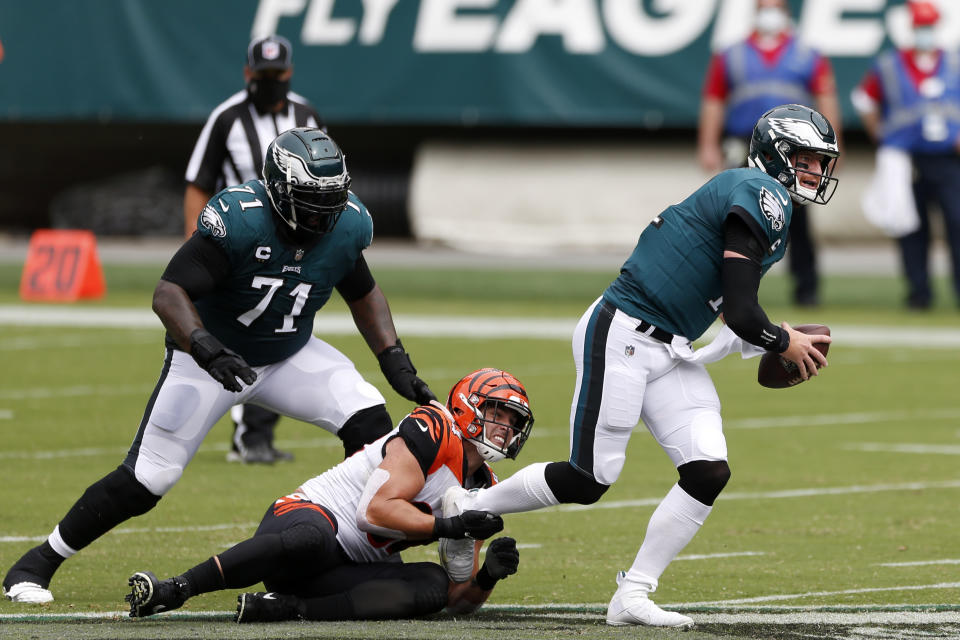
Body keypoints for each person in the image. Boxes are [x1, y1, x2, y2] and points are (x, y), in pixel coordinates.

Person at [440, 104, 837, 628]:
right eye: (806, 159)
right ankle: (466, 506)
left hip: (669, 345)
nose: (815, 171)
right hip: (624, 330)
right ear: (776, 155)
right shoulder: (757, 192)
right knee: (590, 478)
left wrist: (766, 339)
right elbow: (742, 312)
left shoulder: (769, 207)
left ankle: (633, 594)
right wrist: (777, 339)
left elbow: (724, 308)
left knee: (707, 469)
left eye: (818, 161)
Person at [2, 128, 437, 605]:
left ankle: (364, 549)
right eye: (313, 200)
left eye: (333, 199)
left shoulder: (346, 224)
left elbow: (363, 291)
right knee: (151, 477)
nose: (326, 213)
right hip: (209, 359)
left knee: (372, 424)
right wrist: (205, 347)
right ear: (280, 190)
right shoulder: (241, 219)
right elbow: (169, 292)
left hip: (289, 353)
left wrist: (393, 358)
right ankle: (38, 562)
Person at [122, 368, 532, 623]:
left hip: (342, 572)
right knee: (310, 539)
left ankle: (287, 609)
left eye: (514, 422)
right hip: (310, 519)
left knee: (431, 584)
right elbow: (373, 513)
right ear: (465, 407)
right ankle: (175, 589)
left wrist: (487, 575)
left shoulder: (485, 488)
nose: (505, 428)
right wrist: (449, 525)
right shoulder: (434, 428)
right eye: (498, 413)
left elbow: (458, 601)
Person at [185, 34, 326, 464]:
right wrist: (197, 244)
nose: (270, 81)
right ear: (248, 74)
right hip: (236, 244)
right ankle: (245, 434)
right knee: (244, 334)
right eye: (262, 75)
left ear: (289, 72)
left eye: (277, 74)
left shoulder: (306, 115)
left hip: (293, 245)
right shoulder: (226, 118)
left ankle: (253, 435)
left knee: (281, 333)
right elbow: (198, 182)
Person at [698, 0, 842, 307]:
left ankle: (807, 287)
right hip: (747, 143)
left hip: (794, 148)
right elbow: (713, 101)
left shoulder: (807, 54)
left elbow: (826, 98)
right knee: (738, 212)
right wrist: (708, 144)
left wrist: (832, 147)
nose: (769, 13)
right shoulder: (732, 54)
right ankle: (726, 285)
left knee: (798, 219)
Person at [852, 0, 960, 310]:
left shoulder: (953, 62)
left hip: (947, 159)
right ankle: (919, 292)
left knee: (957, 222)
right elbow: (864, 100)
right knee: (910, 226)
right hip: (906, 159)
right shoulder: (889, 65)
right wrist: (881, 135)